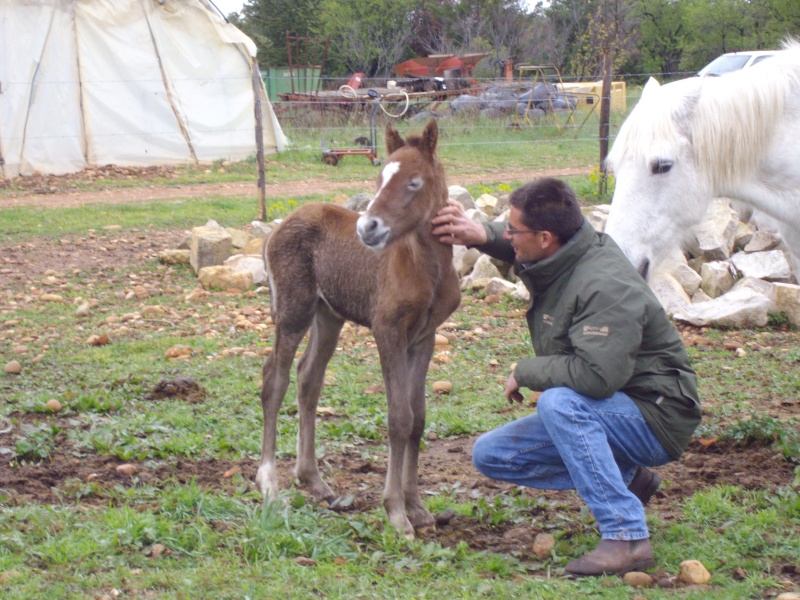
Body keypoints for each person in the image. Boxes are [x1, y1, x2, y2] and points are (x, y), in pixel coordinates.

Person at [431, 178, 701, 577]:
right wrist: (481, 235)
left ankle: (626, 536)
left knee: (561, 402)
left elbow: (595, 377)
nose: (507, 236)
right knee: (492, 454)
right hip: (615, 406)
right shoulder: (568, 250)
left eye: (512, 229)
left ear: (544, 237)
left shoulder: (603, 285)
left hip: (657, 414)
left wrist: (525, 371)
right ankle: (629, 480)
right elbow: (526, 247)